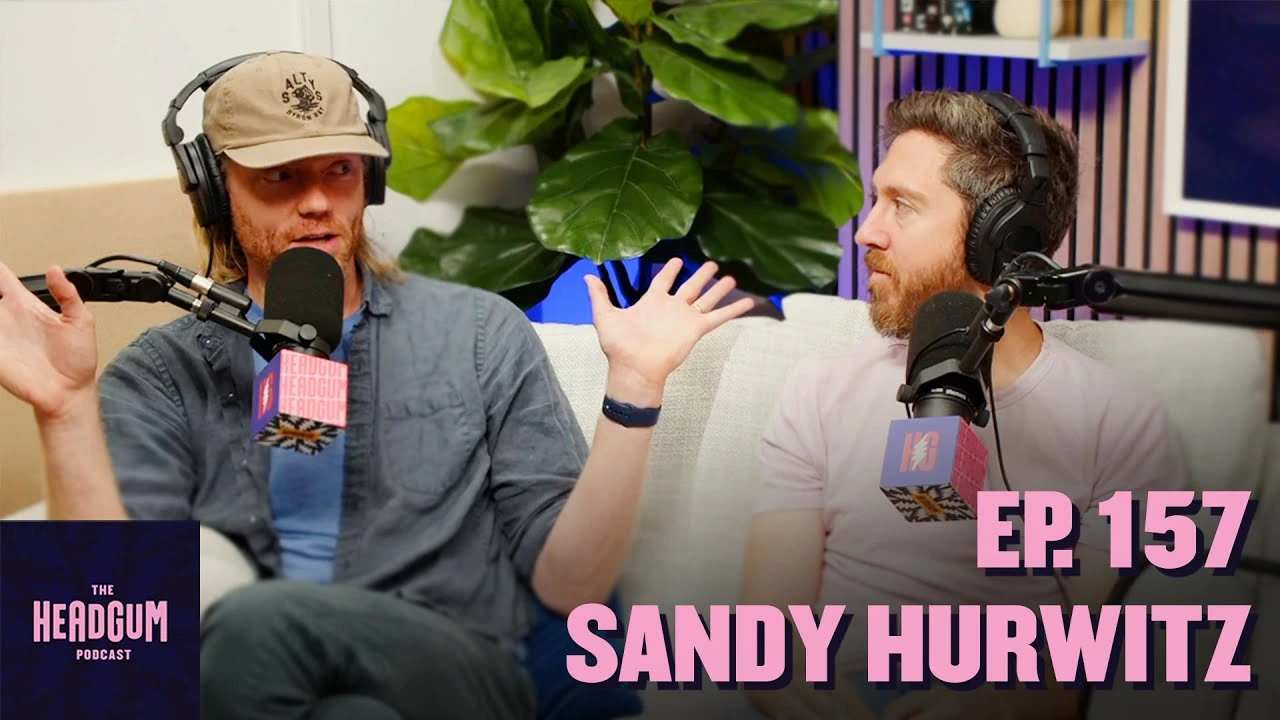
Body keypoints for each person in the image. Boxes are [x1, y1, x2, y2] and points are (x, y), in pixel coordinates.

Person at [0, 51, 754, 720]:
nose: (317, 201)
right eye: (278, 176)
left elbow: (570, 587)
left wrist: (634, 390)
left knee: (258, 627)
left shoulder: (478, 333)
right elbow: (114, 613)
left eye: (339, 168)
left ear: (372, 177)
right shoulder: (166, 373)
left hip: (463, 673)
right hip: (273, 685)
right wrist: (64, 410)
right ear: (214, 191)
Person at [737, 90, 1190, 719]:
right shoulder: (819, 390)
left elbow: (1096, 661)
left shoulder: (1119, 420)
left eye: (903, 205)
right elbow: (765, 638)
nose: (867, 231)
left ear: (998, 240)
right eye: (876, 200)